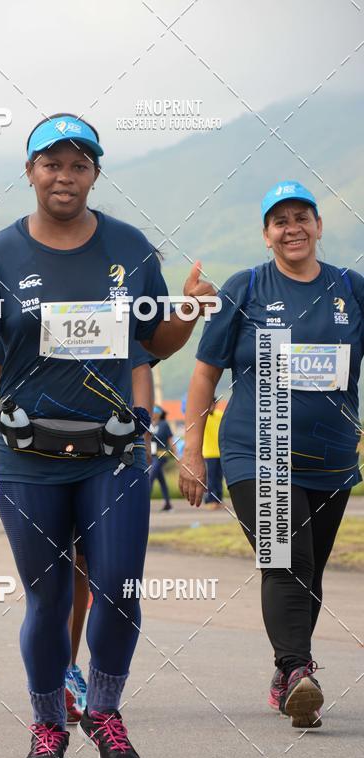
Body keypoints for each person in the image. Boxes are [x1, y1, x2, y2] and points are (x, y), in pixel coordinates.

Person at [0, 113, 213, 758]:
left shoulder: (130, 248)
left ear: (94, 173)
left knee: (120, 589)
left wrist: (183, 312)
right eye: (51, 164)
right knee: (51, 599)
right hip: (28, 458)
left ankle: (106, 712)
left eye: (78, 164)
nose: (64, 176)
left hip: (113, 453)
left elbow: (151, 346)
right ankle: (46, 727)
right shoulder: (1, 256)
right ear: (30, 171)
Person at [179, 180, 364, 729]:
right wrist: (192, 448)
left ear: (319, 225)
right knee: (288, 558)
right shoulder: (246, 288)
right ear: (266, 235)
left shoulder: (351, 289)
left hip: (331, 458)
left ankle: (288, 675)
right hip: (255, 452)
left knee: (311, 568)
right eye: (280, 221)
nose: (293, 229)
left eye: (302, 217)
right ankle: (298, 666)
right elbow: (205, 373)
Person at [0, 344, 159, 725]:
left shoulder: (112, 293)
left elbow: (139, 363)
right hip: (35, 457)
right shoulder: (24, 301)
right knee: (52, 581)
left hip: (105, 453)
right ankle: (57, 681)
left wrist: (142, 434)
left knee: (87, 565)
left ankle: (74, 672)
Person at [149, 407, 174, 511]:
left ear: (159, 414)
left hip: (162, 454)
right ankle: (168, 503)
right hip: (153, 454)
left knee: (150, 477)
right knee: (161, 479)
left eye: (154, 412)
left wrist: (176, 454)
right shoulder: (150, 424)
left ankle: (143, 501)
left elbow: (170, 439)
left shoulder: (164, 424)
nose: (153, 414)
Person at [202, 399, 224, 508]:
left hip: (220, 452)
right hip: (209, 453)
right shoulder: (203, 416)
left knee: (219, 477)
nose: (213, 406)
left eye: (214, 404)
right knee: (211, 478)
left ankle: (219, 499)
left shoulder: (220, 415)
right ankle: (211, 500)